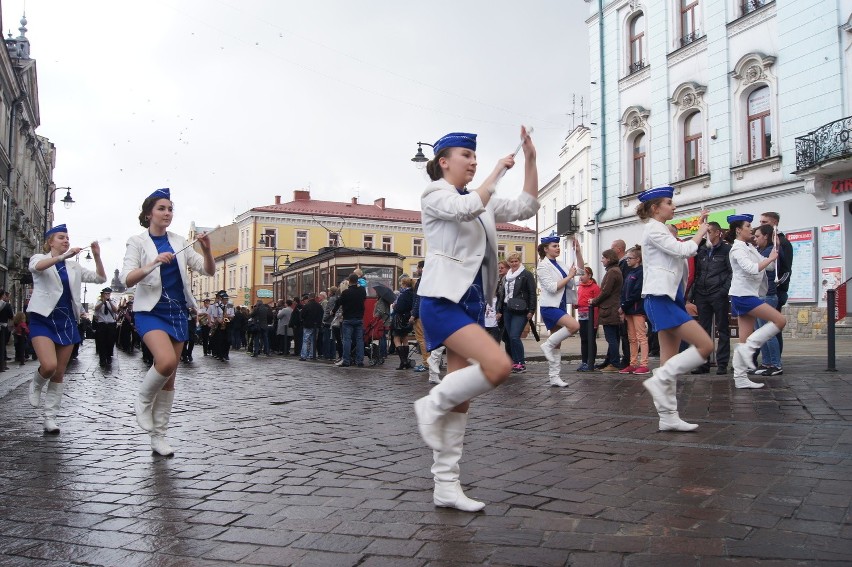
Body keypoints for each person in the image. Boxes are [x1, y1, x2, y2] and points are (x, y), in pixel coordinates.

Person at [414, 128, 539, 512]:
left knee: (462, 396)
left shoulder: (480, 198)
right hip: (442, 298)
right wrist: (496, 173)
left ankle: (446, 485)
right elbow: (463, 209)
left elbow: (527, 207)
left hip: (472, 300)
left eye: (475, 156)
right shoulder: (436, 193)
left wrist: (531, 159)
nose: (473, 161)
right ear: (443, 162)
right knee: (499, 365)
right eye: (465, 155)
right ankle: (431, 404)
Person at [120, 188, 215, 455]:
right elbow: (126, 279)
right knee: (166, 362)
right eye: (162, 208)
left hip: (177, 313)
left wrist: (207, 251)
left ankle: (158, 437)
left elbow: (207, 270)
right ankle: (142, 399)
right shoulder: (137, 242)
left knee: (170, 380)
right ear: (149, 213)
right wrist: (152, 263)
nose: (167, 213)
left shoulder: (177, 241)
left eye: (170, 209)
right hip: (150, 311)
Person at [636, 186, 712, 432]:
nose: (674, 207)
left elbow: (680, 258)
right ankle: (660, 380)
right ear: (656, 208)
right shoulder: (653, 229)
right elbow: (685, 250)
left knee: (668, 359)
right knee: (706, 345)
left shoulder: (660, 230)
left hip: (669, 297)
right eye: (669, 202)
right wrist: (702, 229)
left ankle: (668, 417)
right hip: (660, 298)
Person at [26, 224, 107, 434]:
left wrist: (97, 256)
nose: (66, 241)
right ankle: (36, 384)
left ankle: (50, 417)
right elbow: (38, 267)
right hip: (42, 318)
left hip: (66, 321)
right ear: (50, 242)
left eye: (68, 238)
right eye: (61, 237)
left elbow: (100, 279)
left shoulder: (74, 268)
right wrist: (63, 257)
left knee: (59, 373)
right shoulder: (39, 257)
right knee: (49, 365)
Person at [726, 214, 785, 388]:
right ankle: (751, 347)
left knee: (743, 339)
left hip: (748, 294)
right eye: (747, 226)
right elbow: (752, 269)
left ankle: (740, 378)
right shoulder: (737, 249)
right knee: (780, 320)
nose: (751, 229)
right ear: (738, 230)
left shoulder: (749, 247)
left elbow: (771, 267)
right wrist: (769, 259)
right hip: (743, 296)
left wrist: (774, 251)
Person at [537, 236, 584, 387]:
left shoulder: (560, 264)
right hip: (550, 307)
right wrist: (569, 276)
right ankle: (546, 345)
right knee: (574, 326)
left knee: (558, 345)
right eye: (554, 246)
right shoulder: (542, 266)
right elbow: (552, 287)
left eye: (558, 246)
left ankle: (554, 377)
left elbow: (581, 271)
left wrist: (578, 253)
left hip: (561, 305)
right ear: (546, 249)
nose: (557, 248)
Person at [687, 221, 733, 375]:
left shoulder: (727, 250)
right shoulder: (702, 251)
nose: (706, 236)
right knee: (703, 330)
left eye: (709, 232)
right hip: (702, 294)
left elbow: (731, 272)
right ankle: (703, 364)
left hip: (718, 294)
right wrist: (693, 295)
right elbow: (697, 273)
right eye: (705, 233)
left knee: (723, 329)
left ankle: (722, 364)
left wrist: (723, 291)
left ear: (718, 233)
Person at [758, 212, 792, 354]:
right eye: (760, 222)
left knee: (773, 328)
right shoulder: (765, 244)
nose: (761, 225)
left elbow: (786, 269)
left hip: (775, 292)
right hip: (764, 291)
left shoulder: (782, 243)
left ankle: (775, 360)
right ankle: (768, 360)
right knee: (764, 328)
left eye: (765, 222)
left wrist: (776, 287)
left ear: (775, 224)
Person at [752, 224, 783, 376]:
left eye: (758, 236)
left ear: (766, 236)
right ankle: (766, 363)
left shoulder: (771, 251)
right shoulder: (760, 251)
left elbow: (770, 266)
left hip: (768, 295)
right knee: (761, 332)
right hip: (759, 295)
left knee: (768, 332)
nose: (755, 239)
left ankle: (776, 364)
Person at [500, 252, 537, 373]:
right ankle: (515, 362)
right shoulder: (506, 276)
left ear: (519, 261)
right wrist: (499, 310)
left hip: (521, 310)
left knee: (515, 336)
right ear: (509, 263)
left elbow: (532, 293)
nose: (514, 263)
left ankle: (521, 362)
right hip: (507, 309)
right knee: (510, 337)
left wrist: (532, 310)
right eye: (511, 261)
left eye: (516, 261)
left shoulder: (526, 274)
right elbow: (502, 294)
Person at [588, 250, 623, 372]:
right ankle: (609, 361)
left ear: (609, 259)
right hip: (613, 308)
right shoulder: (615, 270)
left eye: (603, 258)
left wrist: (594, 301)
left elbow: (606, 291)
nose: (602, 260)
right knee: (614, 337)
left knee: (611, 338)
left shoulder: (612, 272)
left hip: (610, 309)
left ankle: (614, 363)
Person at [619, 245, 649, 375]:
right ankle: (633, 363)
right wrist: (623, 306)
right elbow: (624, 291)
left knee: (641, 337)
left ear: (637, 259)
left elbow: (637, 292)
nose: (627, 260)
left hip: (637, 309)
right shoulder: (630, 273)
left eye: (629, 258)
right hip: (629, 310)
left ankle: (644, 364)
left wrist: (624, 305)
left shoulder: (641, 272)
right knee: (632, 338)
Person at [333, 274, 367, 367]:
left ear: (349, 281)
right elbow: (364, 299)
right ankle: (360, 361)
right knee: (360, 340)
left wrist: (333, 311)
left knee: (347, 340)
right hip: (359, 318)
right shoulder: (362, 291)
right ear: (357, 280)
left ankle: (346, 360)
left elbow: (338, 303)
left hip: (348, 319)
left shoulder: (346, 292)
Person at [611, 239, 631, 368]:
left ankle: (627, 359)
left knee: (626, 333)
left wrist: (622, 304)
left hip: (624, 303)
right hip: (621, 302)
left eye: (612, 248)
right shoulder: (620, 264)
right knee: (622, 332)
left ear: (618, 249)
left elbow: (624, 285)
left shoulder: (624, 264)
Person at [576, 267, 600, 371]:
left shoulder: (595, 287)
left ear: (589, 275)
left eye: (583, 274)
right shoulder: (580, 287)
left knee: (591, 339)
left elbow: (597, 304)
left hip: (591, 317)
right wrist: (576, 304)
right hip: (581, 316)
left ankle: (591, 362)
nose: (581, 277)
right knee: (583, 339)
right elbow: (579, 299)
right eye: (580, 275)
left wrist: (595, 321)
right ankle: (584, 362)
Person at [391, 277, 415, 369]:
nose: (401, 285)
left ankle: (403, 361)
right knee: (405, 338)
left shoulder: (403, 294)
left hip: (399, 318)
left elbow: (400, 308)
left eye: (401, 283)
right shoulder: (412, 293)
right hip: (407, 317)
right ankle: (406, 361)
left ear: (404, 284)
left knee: (396, 339)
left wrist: (394, 306)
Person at [93, 288, 118, 368]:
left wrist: (109, 301)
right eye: (105, 293)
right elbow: (96, 309)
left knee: (110, 342)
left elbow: (115, 310)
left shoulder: (113, 301)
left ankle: (108, 356)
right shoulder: (99, 302)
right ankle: (102, 360)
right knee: (101, 342)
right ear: (103, 294)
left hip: (111, 324)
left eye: (108, 293)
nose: (107, 295)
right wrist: (103, 302)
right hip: (102, 324)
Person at [300, 293, 324, 361]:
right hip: (316, 326)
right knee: (314, 340)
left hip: (308, 325)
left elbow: (302, 315)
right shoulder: (319, 306)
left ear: (309, 298)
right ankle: (312, 355)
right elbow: (322, 314)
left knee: (305, 340)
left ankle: (303, 356)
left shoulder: (306, 306)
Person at [0, 289, 13, 371]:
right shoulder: (6, 305)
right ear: (2, 295)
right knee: (2, 346)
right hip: (3, 327)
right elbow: (11, 316)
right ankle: (2, 365)